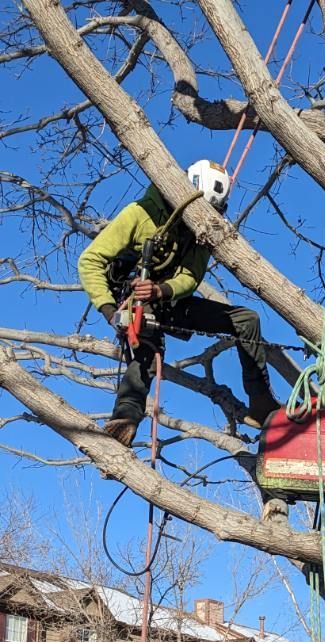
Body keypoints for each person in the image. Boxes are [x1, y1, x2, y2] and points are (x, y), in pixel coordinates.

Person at [78, 160, 279, 447]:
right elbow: (90, 260)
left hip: (170, 299)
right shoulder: (139, 214)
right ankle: (125, 418)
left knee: (246, 320)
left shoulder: (202, 230)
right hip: (134, 302)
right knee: (145, 342)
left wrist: (161, 290)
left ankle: (260, 400)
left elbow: (191, 276)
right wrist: (110, 311)